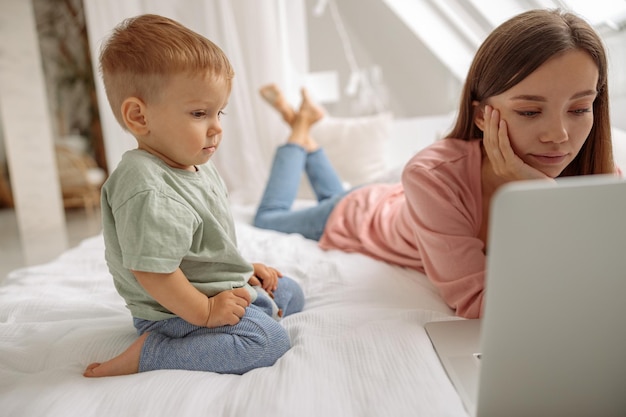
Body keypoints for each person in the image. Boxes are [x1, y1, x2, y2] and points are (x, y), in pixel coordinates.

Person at [254, 9, 617, 319]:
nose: (559, 135)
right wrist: (548, 201)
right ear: (480, 116)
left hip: (397, 201)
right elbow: (478, 302)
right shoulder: (432, 176)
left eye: (580, 108)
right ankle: (299, 130)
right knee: (270, 217)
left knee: (334, 192)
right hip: (358, 215)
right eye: (529, 111)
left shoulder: (601, 177)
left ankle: (302, 126)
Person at [83, 14, 304, 378]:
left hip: (208, 289)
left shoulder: (191, 163)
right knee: (269, 343)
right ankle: (151, 353)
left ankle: (245, 310)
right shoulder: (147, 187)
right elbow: (153, 272)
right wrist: (205, 312)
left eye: (220, 112)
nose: (216, 127)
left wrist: (243, 271)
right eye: (200, 113)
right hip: (175, 312)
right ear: (139, 116)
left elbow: (200, 247)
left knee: (290, 292)